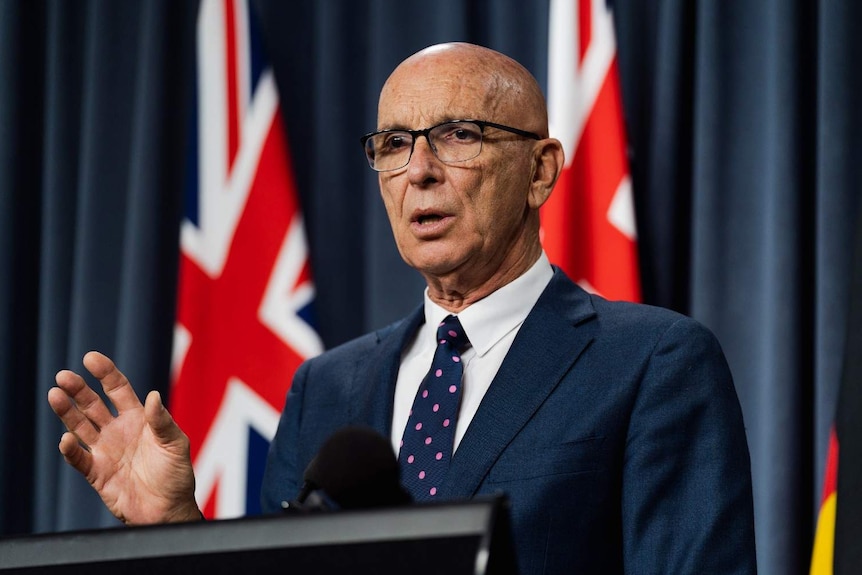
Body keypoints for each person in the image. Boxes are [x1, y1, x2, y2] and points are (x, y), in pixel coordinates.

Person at [48, 42, 757, 574]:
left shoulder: (652, 363)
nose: (418, 169)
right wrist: (176, 523)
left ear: (541, 170)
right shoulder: (325, 387)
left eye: (459, 135)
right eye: (393, 144)